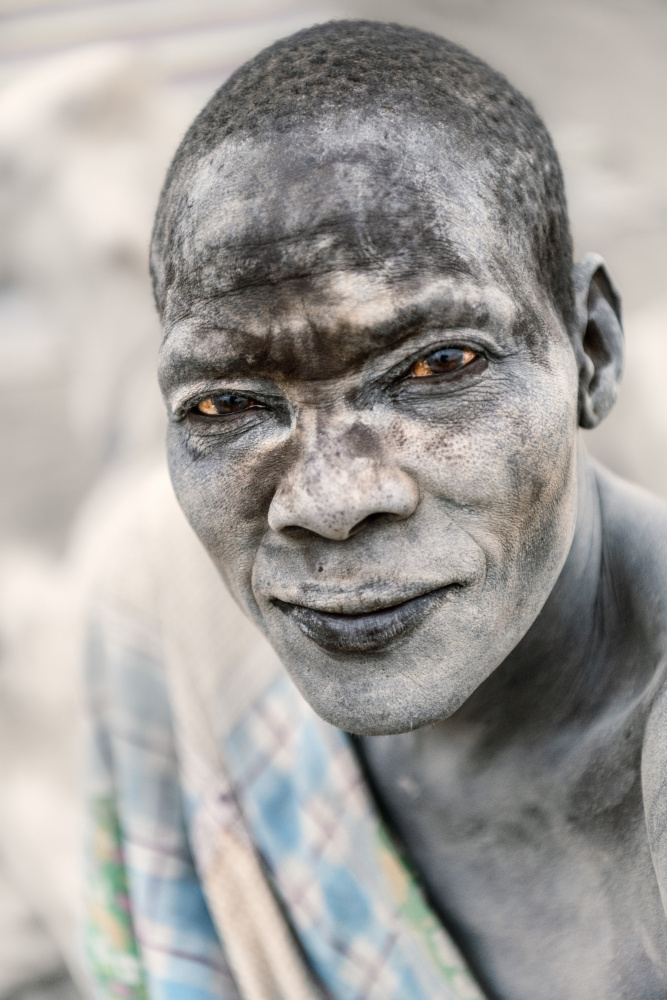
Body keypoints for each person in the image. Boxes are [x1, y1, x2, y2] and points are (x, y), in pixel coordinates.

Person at [84, 21, 667, 1000]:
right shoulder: (165, 613)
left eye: (438, 366)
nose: (326, 503)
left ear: (591, 351)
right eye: (227, 404)